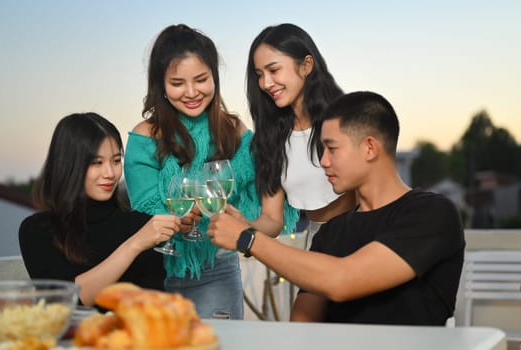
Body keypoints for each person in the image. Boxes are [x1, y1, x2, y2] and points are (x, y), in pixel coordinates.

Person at [208, 91, 466, 325]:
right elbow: (302, 325)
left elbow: (342, 280)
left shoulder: (432, 213)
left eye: (331, 149)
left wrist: (247, 239)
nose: (323, 161)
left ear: (369, 148)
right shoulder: (331, 233)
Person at [123, 24, 298, 320]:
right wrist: (176, 219)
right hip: (155, 273)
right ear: (160, 85)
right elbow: (143, 207)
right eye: (177, 83)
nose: (191, 92)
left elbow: (269, 178)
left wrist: (245, 227)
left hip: (216, 269)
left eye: (202, 80)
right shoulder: (145, 136)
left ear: (214, 78)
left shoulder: (232, 129)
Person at [19, 113, 182, 307]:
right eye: (97, 163)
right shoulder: (38, 230)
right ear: (69, 164)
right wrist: (134, 245)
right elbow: (66, 302)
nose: (110, 174)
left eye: (115, 161)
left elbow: (152, 306)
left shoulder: (140, 225)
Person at [245, 23, 356, 248]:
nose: (265, 83)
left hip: (362, 236)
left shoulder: (348, 118)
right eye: (259, 75)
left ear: (306, 65)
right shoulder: (271, 138)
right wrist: (241, 227)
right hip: (315, 242)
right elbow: (272, 220)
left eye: (274, 70)